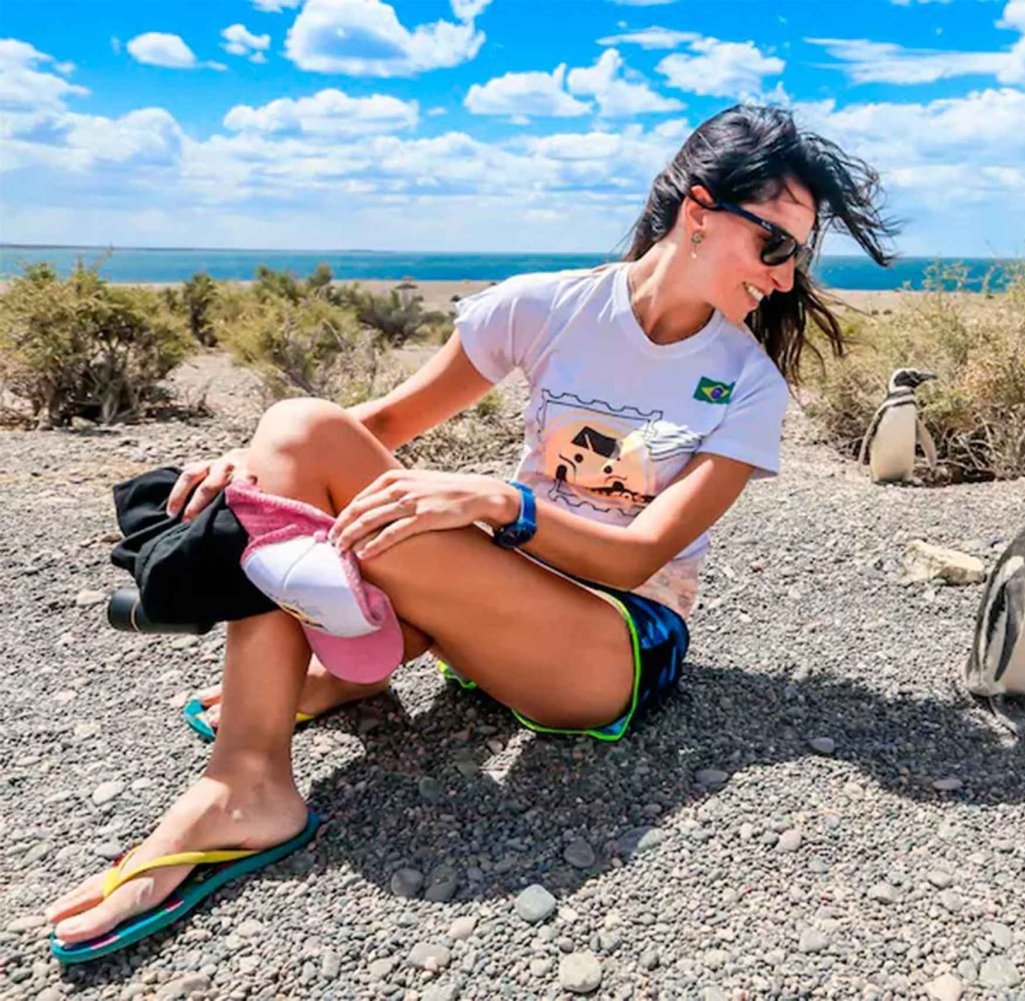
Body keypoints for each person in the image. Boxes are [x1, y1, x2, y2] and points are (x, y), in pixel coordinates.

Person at [45, 104, 897, 958]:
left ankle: (347, 652)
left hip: (610, 642)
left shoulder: (747, 385)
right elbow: (375, 422)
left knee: (322, 503)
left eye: (799, 256)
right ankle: (248, 779)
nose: (786, 279)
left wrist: (502, 502)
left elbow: (643, 551)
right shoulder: (546, 306)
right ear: (700, 212)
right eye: (776, 247)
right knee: (298, 427)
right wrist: (251, 462)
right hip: (490, 598)